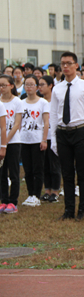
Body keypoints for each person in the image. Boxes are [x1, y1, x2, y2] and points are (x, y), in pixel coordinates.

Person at [50, 52, 84, 221]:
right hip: (62, 133)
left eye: (68, 63)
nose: (65, 67)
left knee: (83, 173)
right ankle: (68, 209)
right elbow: (53, 115)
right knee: (67, 173)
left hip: (80, 131)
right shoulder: (57, 88)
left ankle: (83, 209)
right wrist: (53, 139)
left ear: (76, 65)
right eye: (62, 63)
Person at [20, 75, 50, 208]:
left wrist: (44, 139)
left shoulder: (43, 103)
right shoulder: (21, 103)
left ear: (37, 87)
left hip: (37, 140)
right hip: (23, 140)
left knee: (38, 168)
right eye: (27, 84)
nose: (29, 87)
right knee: (28, 170)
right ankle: (30, 194)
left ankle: (37, 195)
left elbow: (46, 122)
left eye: (32, 85)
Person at [0, 75, 22, 214]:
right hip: (2, 142)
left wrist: (6, 141)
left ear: (11, 86)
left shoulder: (17, 102)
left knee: (13, 173)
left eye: (4, 85)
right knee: (2, 173)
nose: (1, 88)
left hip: (13, 142)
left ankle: (13, 202)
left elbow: (17, 123)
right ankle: (4, 200)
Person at [39, 76, 60, 203]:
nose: (39, 87)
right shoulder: (39, 102)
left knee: (54, 165)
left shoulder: (55, 102)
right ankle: (47, 190)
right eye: (39, 85)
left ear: (50, 85)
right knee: (44, 165)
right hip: (41, 137)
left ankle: (55, 191)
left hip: (54, 137)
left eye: (42, 84)